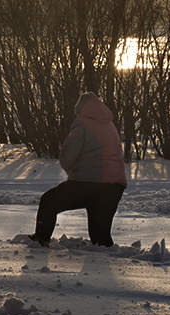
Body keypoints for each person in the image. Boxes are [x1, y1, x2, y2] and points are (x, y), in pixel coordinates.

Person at [29, 92, 128, 247]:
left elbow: (67, 158)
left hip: (87, 184)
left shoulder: (82, 124)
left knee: (49, 201)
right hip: (115, 186)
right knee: (100, 238)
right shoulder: (109, 124)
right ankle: (104, 264)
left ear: (80, 108)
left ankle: (40, 240)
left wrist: (70, 164)